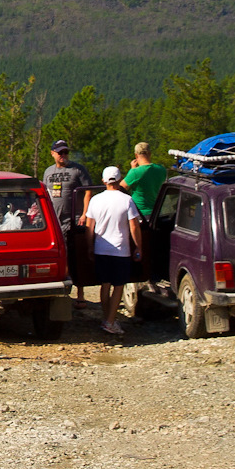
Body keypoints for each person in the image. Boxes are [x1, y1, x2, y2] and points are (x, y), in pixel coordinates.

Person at [82, 166, 143, 338]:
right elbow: (134, 226)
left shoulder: (95, 200)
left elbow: (89, 227)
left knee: (105, 284)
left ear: (103, 181)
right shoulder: (126, 200)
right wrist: (138, 246)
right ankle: (110, 321)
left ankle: (107, 318)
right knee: (118, 286)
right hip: (120, 250)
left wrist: (89, 247)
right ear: (119, 179)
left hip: (101, 248)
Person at [42, 140, 95, 304]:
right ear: (52, 153)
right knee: (59, 257)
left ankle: (80, 294)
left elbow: (88, 191)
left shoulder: (78, 170)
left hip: (74, 220)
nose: (63, 155)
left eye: (66, 152)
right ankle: (59, 291)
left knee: (76, 257)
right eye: (60, 153)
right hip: (54, 221)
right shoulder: (48, 172)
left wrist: (85, 213)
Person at [121, 142, 169, 304]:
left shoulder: (137, 172)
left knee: (138, 245)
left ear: (136, 155)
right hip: (157, 212)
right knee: (154, 246)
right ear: (149, 153)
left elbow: (121, 188)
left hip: (140, 214)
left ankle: (140, 276)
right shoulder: (161, 169)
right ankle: (155, 275)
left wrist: (132, 170)